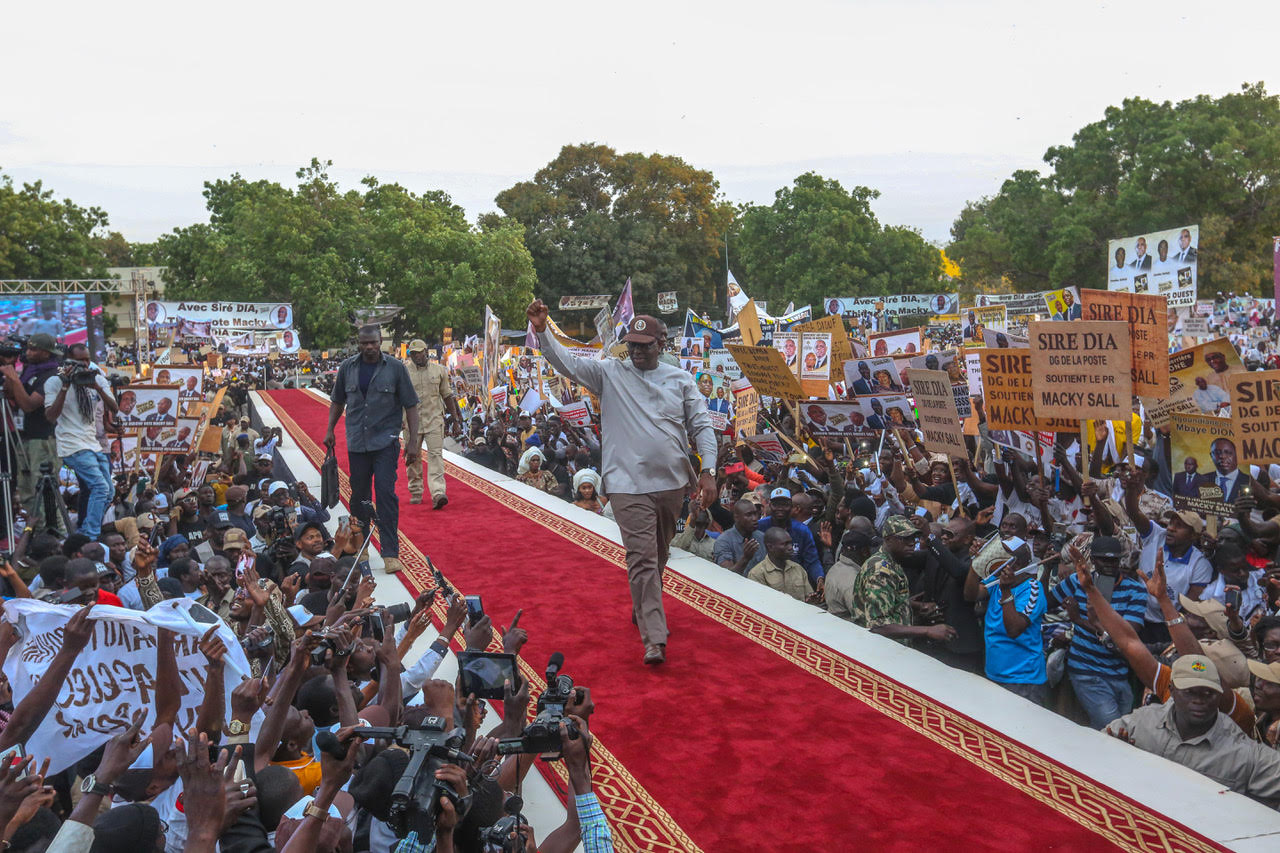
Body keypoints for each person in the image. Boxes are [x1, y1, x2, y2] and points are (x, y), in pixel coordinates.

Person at [530, 300, 717, 665]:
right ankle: (655, 637)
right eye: (632, 344)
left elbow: (702, 427)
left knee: (659, 554)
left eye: (644, 345)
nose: (636, 351)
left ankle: (643, 604)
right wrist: (542, 331)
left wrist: (708, 470)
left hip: (671, 485)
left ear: (661, 344)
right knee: (643, 558)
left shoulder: (680, 380)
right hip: (626, 484)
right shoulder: (610, 373)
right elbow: (566, 362)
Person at [1105, 655, 1280, 803]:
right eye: (1190, 692)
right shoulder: (1141, 722)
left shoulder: (1242, 752)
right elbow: (1098, 750)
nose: (1199, 700)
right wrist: (1119, 754)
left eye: (1208, 693)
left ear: (1219, 695)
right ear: (1172, 690)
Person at [324, 325, 421, 576]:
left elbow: (411, 406)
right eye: (364, 343)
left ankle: (390, 552)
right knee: (360, 496)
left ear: (381, 342)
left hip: (386, 442)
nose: (369, 347)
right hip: (357, 442)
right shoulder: (347, 368)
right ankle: (362, 544)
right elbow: (337, 401)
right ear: (359, 343)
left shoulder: (396, 369)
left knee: (386, 494)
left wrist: (412, 443)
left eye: (373, 343)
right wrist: (330, 430)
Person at [44, 349, 119, 539]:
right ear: (67, 361)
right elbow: (51, 417)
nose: (85, 364)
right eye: (79, 361)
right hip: (72, 445)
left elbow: (115, 408)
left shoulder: (97, 379)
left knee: (109, 492)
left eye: (87, 359)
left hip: (93, 444)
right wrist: (65, 386)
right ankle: (90, 535)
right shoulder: (55, 381)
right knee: (100, 488)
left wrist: (98, 388)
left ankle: (85, 530)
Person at [2, 333, 64, 534]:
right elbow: (11, 394)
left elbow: (28, 405)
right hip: (24, 438)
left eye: (34, 349)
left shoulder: (52, 375)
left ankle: (54, 534)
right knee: (27, 490)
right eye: (27, 349)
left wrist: (13, 377)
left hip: (43, 440)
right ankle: (36, 534)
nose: (28, 353)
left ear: (46, 353)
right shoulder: (30, 371)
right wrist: (11, 374)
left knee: (45, 490)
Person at [402, 339, 462, 509]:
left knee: (436, 455)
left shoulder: (439, 370)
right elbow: (397, 398)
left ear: (426, 351)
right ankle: (415, 490)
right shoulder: (403, 371)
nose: (416, 356)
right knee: (413, 458)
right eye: (413, 353)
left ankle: (437, 492)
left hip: (434, 420)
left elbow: (447, 395)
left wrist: (456, 420)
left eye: (419, 352)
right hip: (410, 423)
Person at [747, 527, 812, 601]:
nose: (791, 547)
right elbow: (759, 604)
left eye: (791, 543)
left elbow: (809, 597)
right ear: (770, 547)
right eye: (785, 544)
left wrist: (812, 600)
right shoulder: (757, 574)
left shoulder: (798, 568)